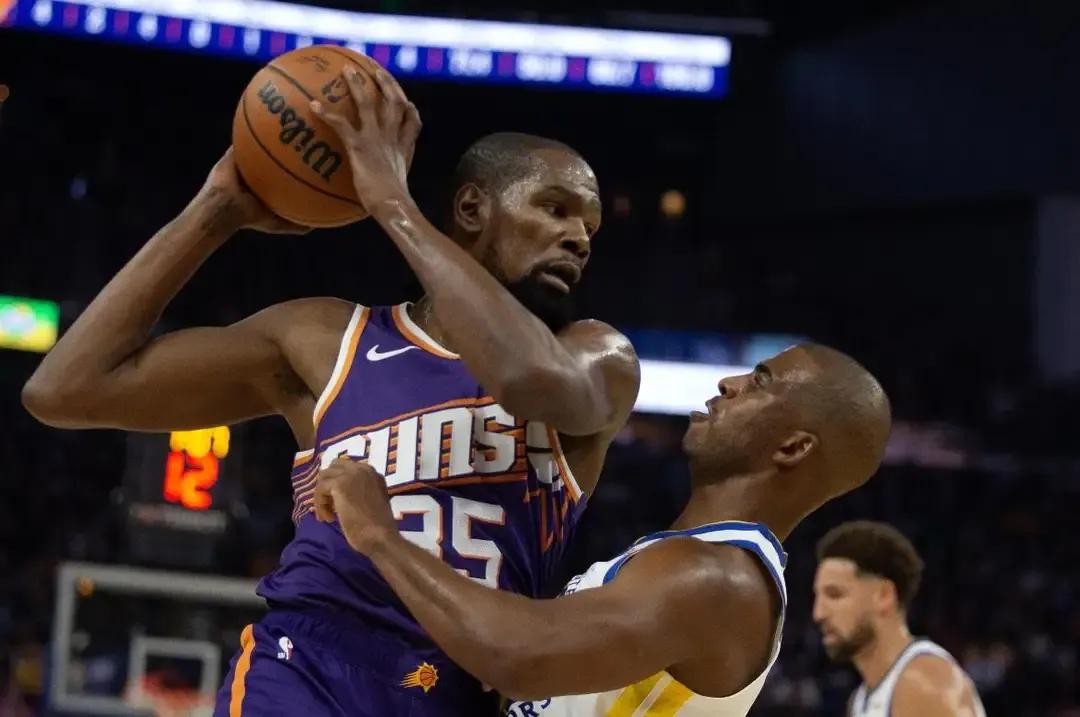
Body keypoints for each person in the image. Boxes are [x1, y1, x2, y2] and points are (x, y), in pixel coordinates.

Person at [22, 67, 640, 715]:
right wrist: (212, 213)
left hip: (456, 686)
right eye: (555, 208)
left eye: (590, 227)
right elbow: (67, 389)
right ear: (470, 210)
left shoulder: (598, 357)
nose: (578, 237)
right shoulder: (326, 339)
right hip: (306, 665)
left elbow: (524, 378)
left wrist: (391, 202)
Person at [313, 344, 892, 716]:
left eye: (761, 381)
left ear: (793, 447)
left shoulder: (718, 579)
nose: (730, 382)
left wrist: (379, 534)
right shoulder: (689, 562)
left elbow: (515, 655)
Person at [813, 520, 987, 716]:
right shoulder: (861, 699)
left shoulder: (924, 682)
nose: (818, 613)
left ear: (884, 595)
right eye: (817, 597)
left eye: (835, 594)